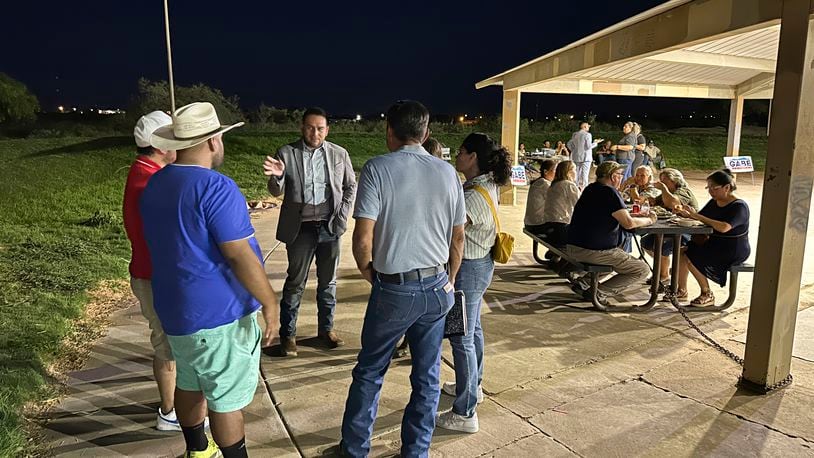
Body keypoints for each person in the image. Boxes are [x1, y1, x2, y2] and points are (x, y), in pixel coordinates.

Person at [141, 102, 281, 458]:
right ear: (214, 140)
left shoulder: (156, 184)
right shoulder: (216, 187)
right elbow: (239, 254)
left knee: (189, 382)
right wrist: (270, 302)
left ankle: (198, 451)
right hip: (219, 316)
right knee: (226, 399)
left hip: (176, 312)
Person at [340, 100, 466, 457]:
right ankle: (416, 451)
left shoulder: (378, 169)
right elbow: (458, 237)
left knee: (370, 371)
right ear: (426, 133)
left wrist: (370, 273)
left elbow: (363, 237)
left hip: (395, 288)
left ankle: (354, 450)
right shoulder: (447, 173)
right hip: (437, 287)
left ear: (389, 133)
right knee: (426, 377)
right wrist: (449, 280)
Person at [263, 107, 357, 357]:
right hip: (300, 229)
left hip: (329, 227)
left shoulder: (339, 153)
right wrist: (278, 177)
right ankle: (288, 336)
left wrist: (342, 215)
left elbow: (350, 186)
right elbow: (275, 191)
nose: (315, 133)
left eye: (320, 128)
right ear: (302, 128)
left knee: (328, 283)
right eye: (310, 127)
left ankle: (325, 331)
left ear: (327, 130)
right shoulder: (287, 153)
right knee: (295, 283)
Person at [437, 133, 511, 434]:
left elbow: (454, 234)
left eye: (461, 152)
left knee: (460, 336)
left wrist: (450, 275)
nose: (456, 156)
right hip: (479, 266)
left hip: (467, 269)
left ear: (473, 158)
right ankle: (473, 386)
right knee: (473, 329)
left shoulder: (473, 195)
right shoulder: (486, 185)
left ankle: (465, 412)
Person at [122, 110, 182, 431]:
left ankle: (172, 407)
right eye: (174, 138)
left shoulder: (144, 171)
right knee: (167, 345)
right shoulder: (151, 181)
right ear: (160, 145)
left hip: (149, 271)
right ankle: (169, 413)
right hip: (153, 275)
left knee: (168, 343)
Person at [566, 161, 655, 304]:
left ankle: (584, 283)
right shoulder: (610, 192)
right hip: (593, 251)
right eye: (619, 175)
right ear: (613, 176)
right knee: (642, 269)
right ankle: (598, 293)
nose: (621, 177)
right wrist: (650, 220)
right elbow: (629, 224)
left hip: (574, 246)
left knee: (616, 258)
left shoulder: (591, 188)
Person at [677, 169, 750, 305]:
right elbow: (701, 217)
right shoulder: (714, 202)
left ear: (727, 187)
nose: (710, 192)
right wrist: (685, 213)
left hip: (733, 249)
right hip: (715, 244)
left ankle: (707, 293)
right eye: (708, 188)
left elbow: (724, 227)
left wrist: (695, 216)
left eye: (714, 188)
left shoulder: (739, 206)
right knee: (682, 251)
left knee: (691, 255)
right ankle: (681, 290)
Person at [640, 168, 700, 289]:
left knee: (662, 245)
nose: (662, 184)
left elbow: (672, 203)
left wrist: (662, 188)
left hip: (686, 231)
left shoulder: (683, 191)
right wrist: (642, 192)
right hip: (668, 228)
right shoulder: (666, 193)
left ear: (675, 181)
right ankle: (664, 271)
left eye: (665, 182)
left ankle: (663, 276)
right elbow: (653, 202)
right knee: (646, 242)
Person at [539, 160, 581, 248]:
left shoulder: (554, 185)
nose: (576, 172)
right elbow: (580, 206)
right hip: (562, 228)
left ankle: (556, 255)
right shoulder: (569, 185)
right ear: (568, 172)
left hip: (548, 226)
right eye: (574, 170)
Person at [566, 121, 603, 190]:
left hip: (576, 156)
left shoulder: (575, 134)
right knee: (585, 175)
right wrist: (595, 143)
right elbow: (588, 146)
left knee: (576, 173)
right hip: (586, 157)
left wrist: (573, 150)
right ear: (584, 126)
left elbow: (569, 144)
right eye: (588, 126)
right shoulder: (587, 135)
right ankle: (585, 189)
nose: (589, 127)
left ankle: (575, 188)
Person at [524, 159, 557, 234]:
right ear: (546, 172)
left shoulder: (540, 182)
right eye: (555, 170)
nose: (557, 173)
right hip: (537, 225)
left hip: (530, 223)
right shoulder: (544, 184)